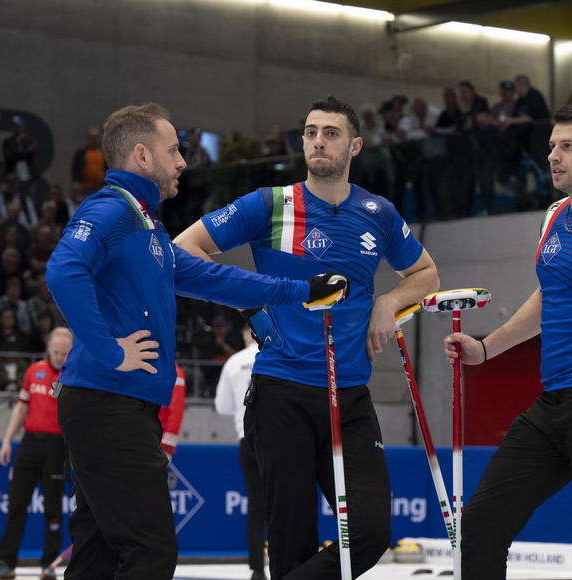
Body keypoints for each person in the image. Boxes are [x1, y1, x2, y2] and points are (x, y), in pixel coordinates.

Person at [45, 102, 348, 580]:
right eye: (174, 150)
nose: (183, 161)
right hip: (108, 402)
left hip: (117, 404)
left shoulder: (145, 226)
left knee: (99, 554)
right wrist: (109, 348)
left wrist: (302, 291)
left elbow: (215, 278)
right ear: (142, 156)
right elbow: (63, 270)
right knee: (150, 551)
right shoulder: (110, 210)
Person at [174, 96, 440, 579]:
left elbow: (425, 273)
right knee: (291, 545)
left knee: (371, 531)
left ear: (355, 145)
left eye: (331, 133)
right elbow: (184, 250)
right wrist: (252, 303)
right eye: (311, 131)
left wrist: (389, 302)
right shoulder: (270, 204)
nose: (318, 140)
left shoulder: (377, 212)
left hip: (352, 395)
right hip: (282, 394)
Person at [445, 100, 572, 579]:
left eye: (567, 146)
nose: (553, 156)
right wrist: (487, 349)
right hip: (551, 404)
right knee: (483, 522)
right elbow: (550, 296)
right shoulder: (553, 215)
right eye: (552, 146)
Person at [0, 328, 73, 580]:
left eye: (64, 353)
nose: (59, 357)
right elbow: (21, 407)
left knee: (53, 508)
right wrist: (6, 440)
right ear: (48, 349)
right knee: (16, 505)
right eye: (56, 352)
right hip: (30, 444)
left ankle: (48, 565)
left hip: (58, 446)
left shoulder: (74, 377)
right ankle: (6, 562)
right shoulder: (34, 372)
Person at [214, 326, 265, 580]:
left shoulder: (234, 362)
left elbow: (222, 406)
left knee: (257, 507)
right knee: (285, 503)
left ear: (246, 335)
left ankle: (257, 568)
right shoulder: (278, 353)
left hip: (247, 437)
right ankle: (286, 561)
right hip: (278, 438)